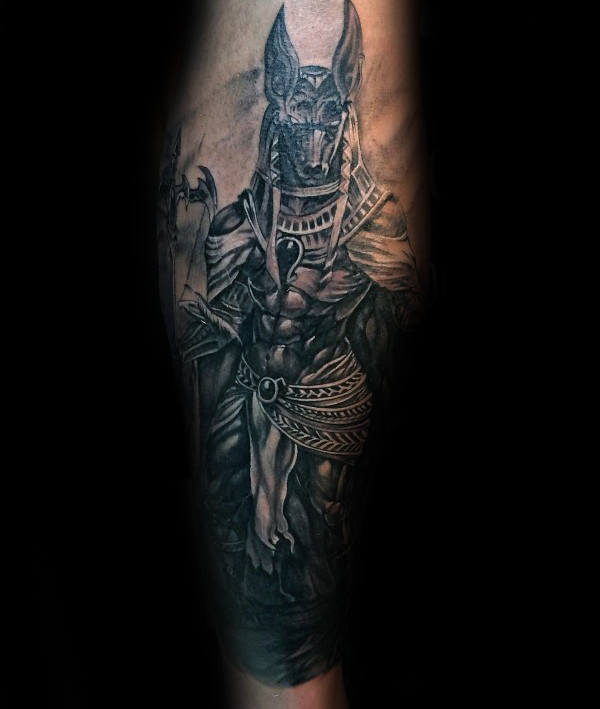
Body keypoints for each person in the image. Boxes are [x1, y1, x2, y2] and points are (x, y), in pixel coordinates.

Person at [157, 1, 428, 705]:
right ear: (279, 111)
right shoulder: (242, 220)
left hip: (328, 413)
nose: (312, 140)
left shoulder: (369, 221)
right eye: (298, 116)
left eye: (326, 118)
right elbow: (213, 309)